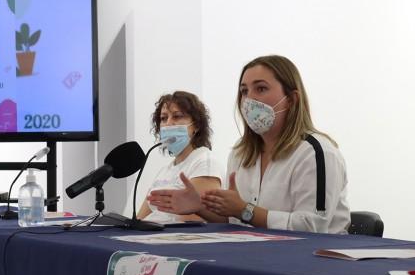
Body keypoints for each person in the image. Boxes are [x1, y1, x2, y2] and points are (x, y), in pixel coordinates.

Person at [148, 55, 350, 234]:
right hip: (254, 255)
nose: (249, 99)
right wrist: (199, 207)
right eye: (244, 91)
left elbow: (313, 226)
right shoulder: (240, 153)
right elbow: (235, 221)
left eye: (261, 88)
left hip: (313, 258)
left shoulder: (316, 152)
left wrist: (245, 210)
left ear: (291, 99)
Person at [136, 91, 222, 224]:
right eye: (163, 118)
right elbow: (139, 219)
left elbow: (197, 219)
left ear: (196, 126)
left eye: (177, 116)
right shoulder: (165, 171)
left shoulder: (205, 162)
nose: (168, 123)